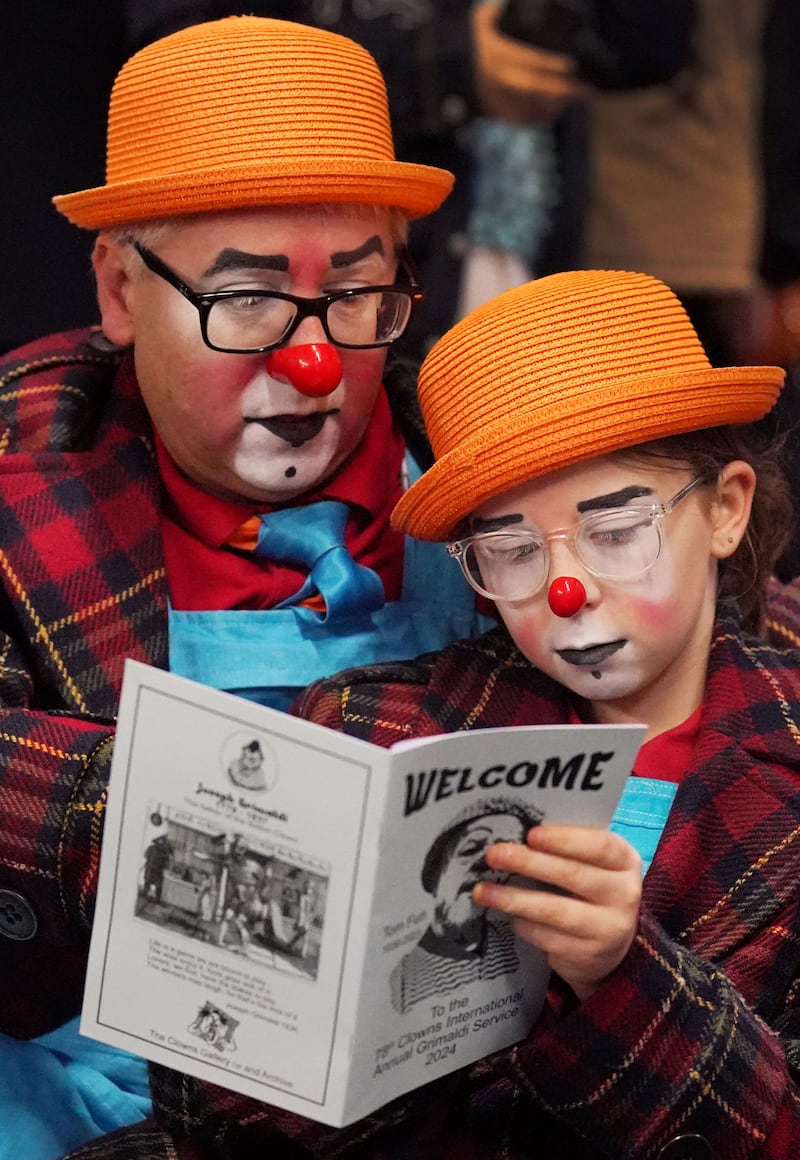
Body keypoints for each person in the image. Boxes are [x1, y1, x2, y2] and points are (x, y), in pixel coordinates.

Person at [64, 270, 800, 1158]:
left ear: (725, 510)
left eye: (616, 533)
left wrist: (624, 976)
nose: (568, 592)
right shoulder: (371, 724)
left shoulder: (782, 763)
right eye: (512, 550)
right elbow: (215, 1118)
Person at [0, 15, 491, 1160]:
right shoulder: (20, 482)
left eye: (356, 292)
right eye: (247, 299)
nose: (310, 358)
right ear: (120, 292)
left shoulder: (486, 460)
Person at [390, 798, 543, 1014]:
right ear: (436, 873)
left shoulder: (523, 944)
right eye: (471, 847)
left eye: (506, 856)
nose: (486, 862)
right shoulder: (400, 977)